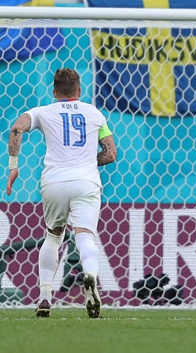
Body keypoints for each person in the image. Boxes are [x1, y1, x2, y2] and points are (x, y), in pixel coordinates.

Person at [5, 68, 117, 319]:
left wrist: (13, 167)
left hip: (54, 182)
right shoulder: (94, 113)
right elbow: (110, 153)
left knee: (54, 237)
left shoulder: (43, 111)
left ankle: (45, 296)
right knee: (85, 236)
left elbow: (16, 129)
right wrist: (86, 161)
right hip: (86, 182)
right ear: (79, 91)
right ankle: (90, 277)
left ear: (54, 92)